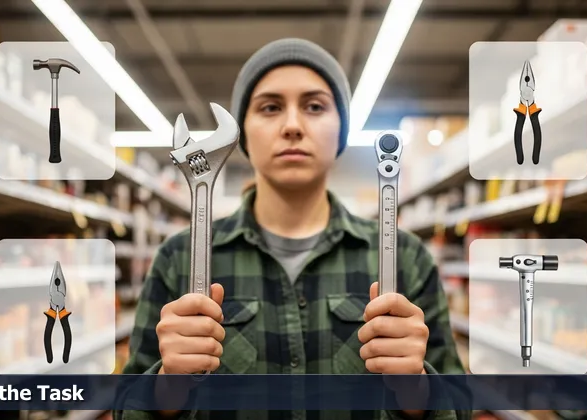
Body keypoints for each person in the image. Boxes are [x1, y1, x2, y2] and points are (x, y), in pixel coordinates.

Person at [114, 38, 469, 420]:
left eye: (315, 106)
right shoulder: (176, 258)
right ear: (242, 133)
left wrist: (415, 388)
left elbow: (460, 407)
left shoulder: (407, 258)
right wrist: (170, 384)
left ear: (342, 130)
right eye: (270, 107)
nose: (293, 126)